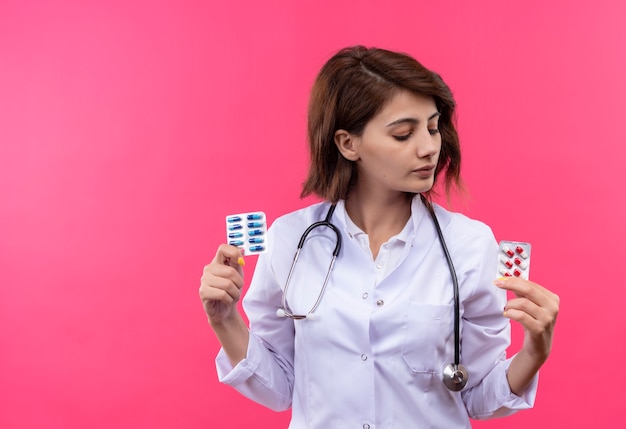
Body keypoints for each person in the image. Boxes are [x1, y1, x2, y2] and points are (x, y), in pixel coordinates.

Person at [199, 46, 559, 428]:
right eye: (404, 134)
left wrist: (534, 352)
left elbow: (479, 396)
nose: (429, 148)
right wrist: (224, 320)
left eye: (434, 128)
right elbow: (279, 388)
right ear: (348, 144)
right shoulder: (290, 241)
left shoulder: (469, 245)